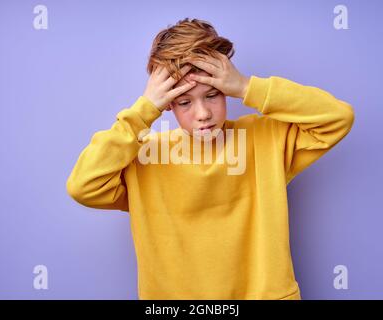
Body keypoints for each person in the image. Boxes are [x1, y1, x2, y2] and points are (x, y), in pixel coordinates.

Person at [66, 17, 355, 300]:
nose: (202, 113)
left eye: (213, 95)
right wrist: (142, 112)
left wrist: (246, 87)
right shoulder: (144, 156)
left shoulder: (265, 140)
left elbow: (337, 118)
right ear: (166, 104)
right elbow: (84, 186)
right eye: (185, 102)